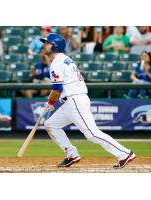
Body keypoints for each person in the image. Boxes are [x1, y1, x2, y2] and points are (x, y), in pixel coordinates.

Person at [40, 33, 136, 169]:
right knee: (51, 124)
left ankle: (124, 153)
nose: (44, 46)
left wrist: (50, 103)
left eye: (47, 43)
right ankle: (71, 154)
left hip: (74, 100)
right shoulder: (64, 59)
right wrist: (51, 102)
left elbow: (57, 89)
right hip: (70, 101)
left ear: (55, 46)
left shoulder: (57, 62)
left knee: (91, 133)